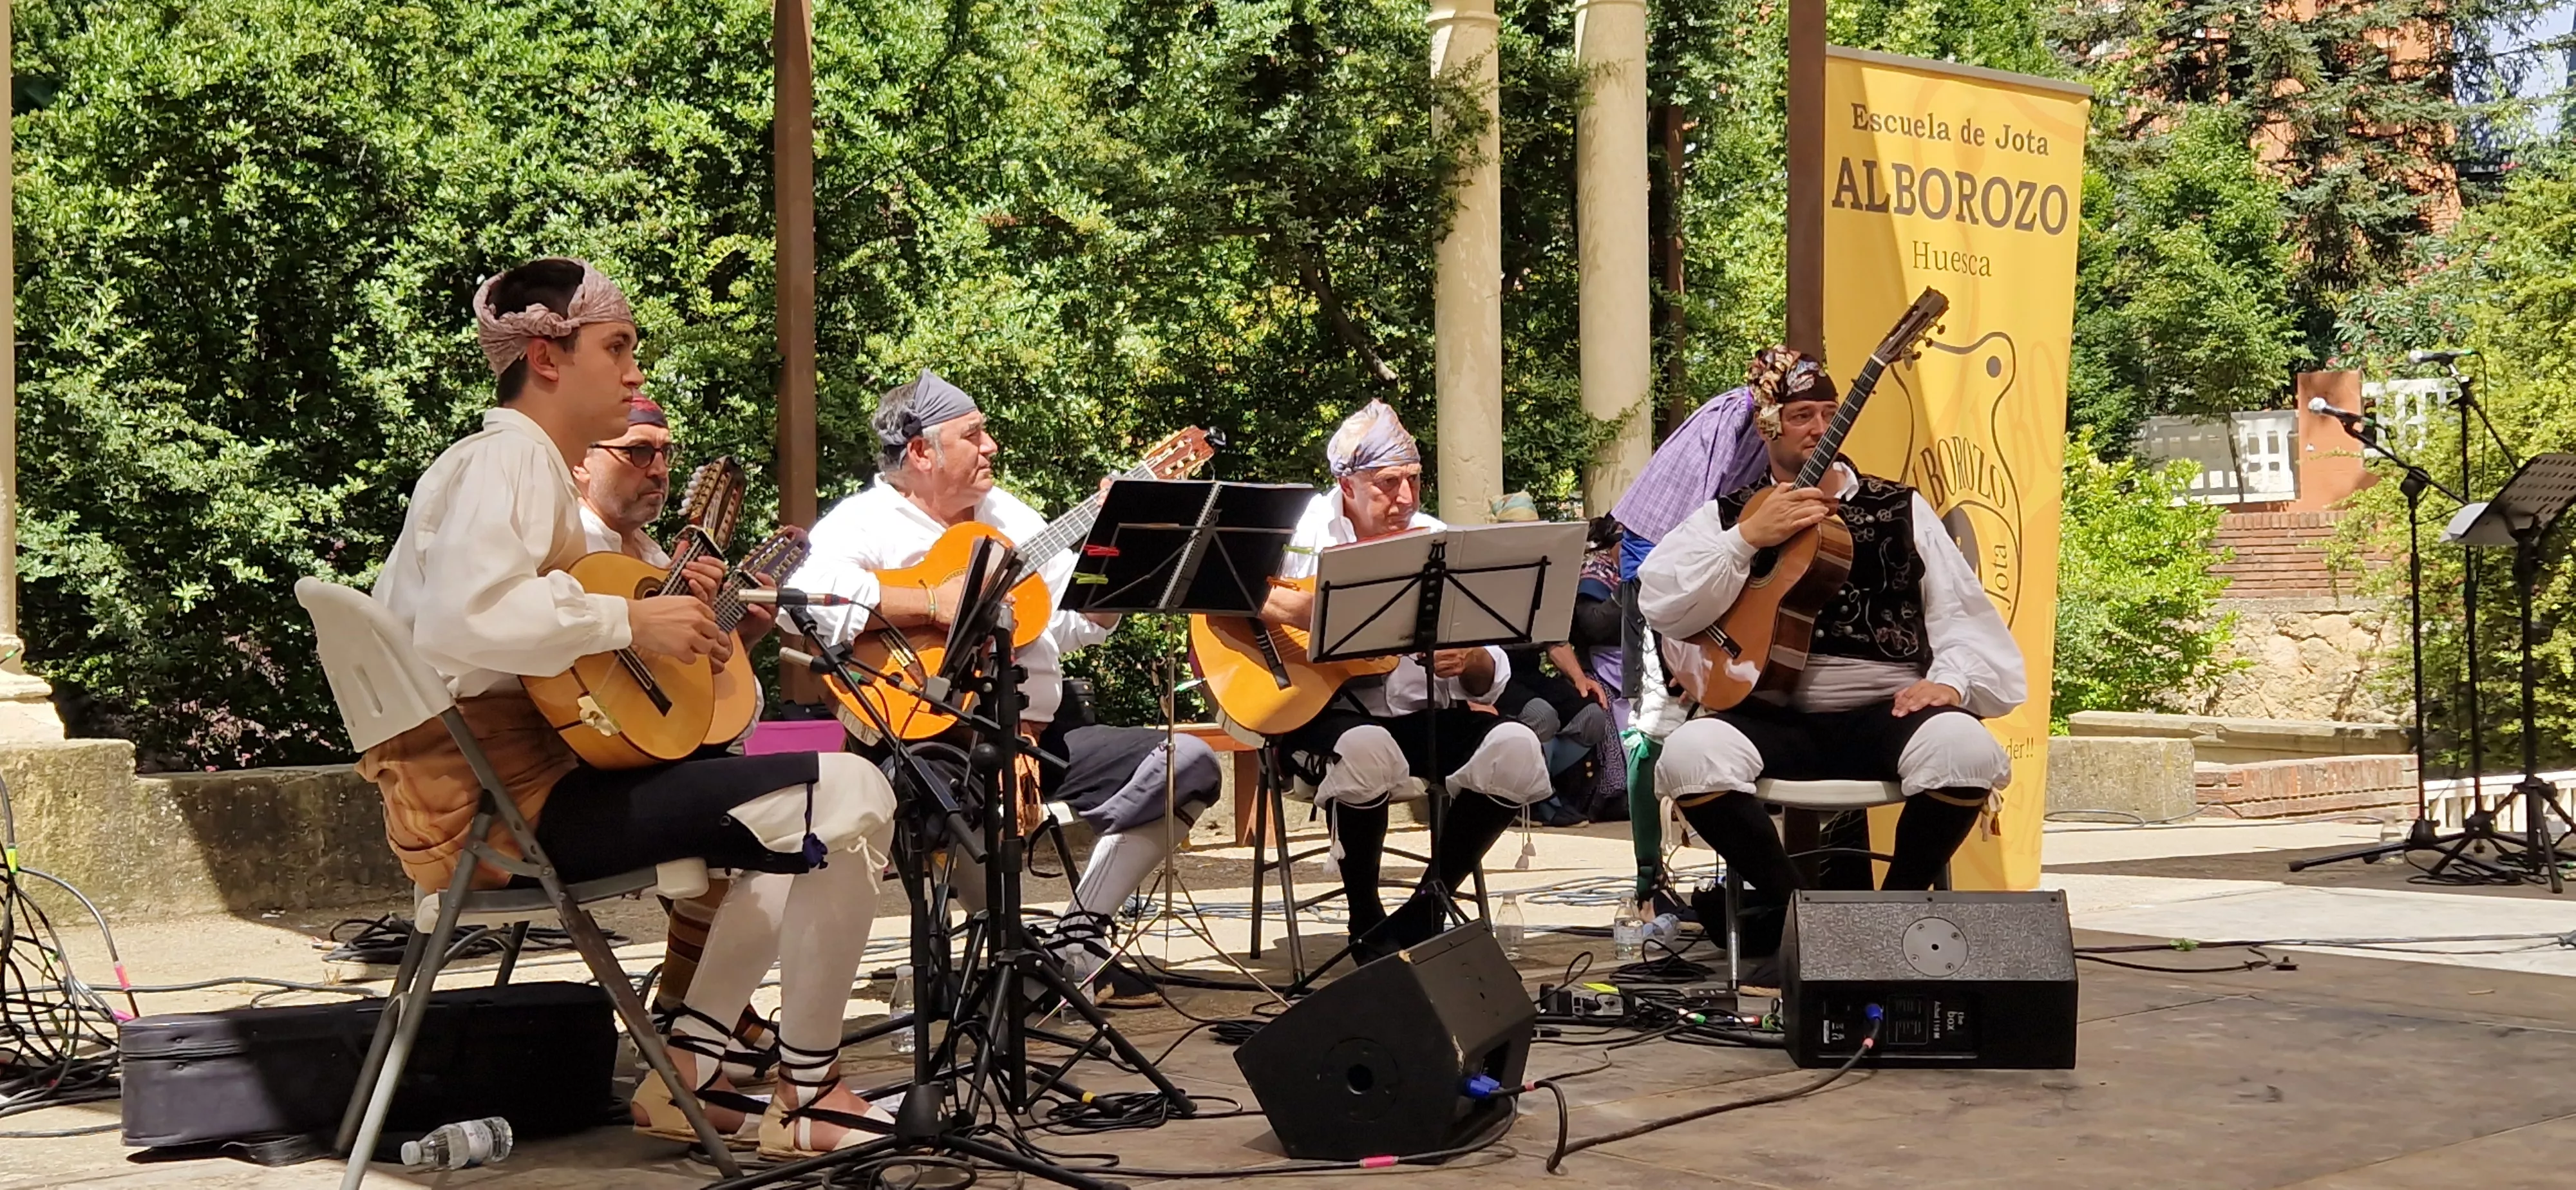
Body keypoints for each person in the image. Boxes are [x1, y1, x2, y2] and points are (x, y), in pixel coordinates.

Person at [361, 257, 896, 1159]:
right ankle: (805, 1093)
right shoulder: (510, 463)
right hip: (508, 812)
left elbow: (539, 648)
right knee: (851, 791)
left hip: (501, 796)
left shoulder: (504, 465)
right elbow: (467, 617)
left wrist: (665, 636)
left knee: (790, 812)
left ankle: (688, 1061)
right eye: (617, 348)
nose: (636, 372)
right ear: (546, 358)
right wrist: (630, 620)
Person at [789, 371, 1222, 1001]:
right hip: (935, 742)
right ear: (920, 452)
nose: (991, 446)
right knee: (958, 790)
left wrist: (1114, 553)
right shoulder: (863, 522)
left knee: (1190, 762)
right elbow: (806, 601)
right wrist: (931, 601)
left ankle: (1077, 936)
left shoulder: (1009, 516)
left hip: (1040, 732)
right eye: (973, 434)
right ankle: (1000, 950)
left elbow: (1074, 621)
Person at [1636, 345, 2023, 979]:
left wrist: (1950, 683)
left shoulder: (1899, 507)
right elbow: (1664, 602)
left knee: (1966, 751)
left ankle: (1891, 920)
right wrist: (1745, 542)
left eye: (1827, 412)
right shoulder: (1728, 516)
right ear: (1767, 425)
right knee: (1688, 756)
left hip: (1884, 711)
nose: (1818, 428)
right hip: (1771, 716)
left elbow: (1958, 612)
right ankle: (1807, 925)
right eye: (1799, 416)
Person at [1258, 401, 1552, 960]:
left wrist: (1469, 661)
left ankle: (1424, 913)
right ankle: (1366, 923)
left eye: (1414, 481)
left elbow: (1490, 673)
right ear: (1346, 483)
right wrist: (1323, 620)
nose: (1406, 499)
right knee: (1368, 749)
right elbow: (1229, 592)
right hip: (1322, 715)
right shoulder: (1297, 536)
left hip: (1423, 721)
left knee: (1517, 747)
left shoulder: (1437, 541)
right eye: (1388, 483)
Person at [569, 397, 784, 1079]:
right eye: (637, 451)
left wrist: (731, 633)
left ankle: (696, 1009)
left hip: (642, 757)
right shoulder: (566, 551)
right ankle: (700, 1023)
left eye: (665, 454)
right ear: (581, 464)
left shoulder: (661, 554)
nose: (656, 468)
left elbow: (691, 697)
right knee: (783, 815)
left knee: (757, 792)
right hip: (579, 781)